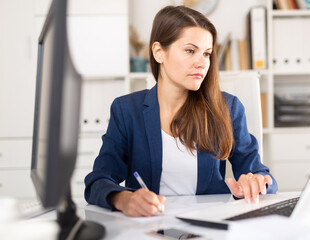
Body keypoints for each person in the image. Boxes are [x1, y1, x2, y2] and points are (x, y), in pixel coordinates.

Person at [84, 5, 278, 217]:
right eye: (190, 51)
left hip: (210, 223)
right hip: (150, 225)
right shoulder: (126, 110)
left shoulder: (227, 108)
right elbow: (99, 179)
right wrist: (124, 199)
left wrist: (257, 182)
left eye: (207, 53)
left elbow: (259, 173)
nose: (202, 63)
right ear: (159, 52)